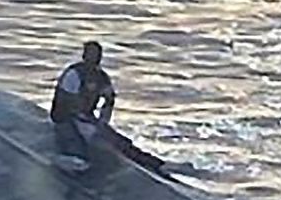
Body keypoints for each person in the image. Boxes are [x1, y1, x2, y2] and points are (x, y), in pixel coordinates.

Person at [49, 40, 194, 177]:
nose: (94, 59)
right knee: (74, 139)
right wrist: (85, 122)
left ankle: (158, 164)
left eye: (97, 56)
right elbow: (66, 100)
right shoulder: (74, 74)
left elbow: (109, 99)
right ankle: (73, 159)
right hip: (65, 117)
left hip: (87, 118)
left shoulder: (101, 77)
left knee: (119, 141)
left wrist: (103, 121)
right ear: (84, 56)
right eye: (91, 55)